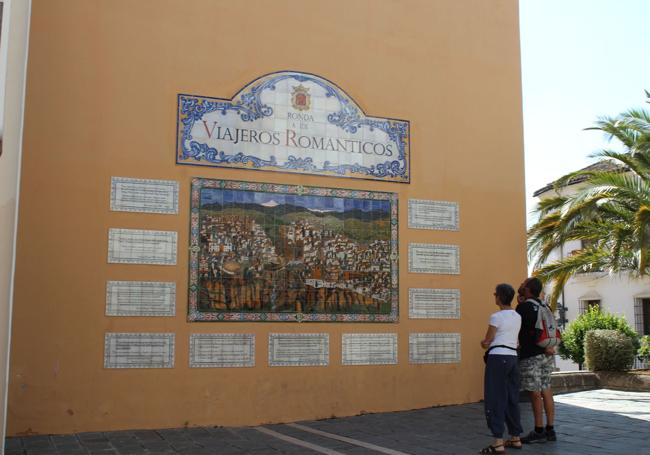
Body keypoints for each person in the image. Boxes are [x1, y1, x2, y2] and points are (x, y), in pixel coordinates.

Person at [479, 283, 523, 454]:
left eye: (495, 294)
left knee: (495, 397)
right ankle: (515, 437)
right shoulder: (517, 316)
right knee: (512, 396)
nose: (494, 296)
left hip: (497, 358)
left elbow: (487, 341)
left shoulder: (496, 317)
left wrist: (483, 344)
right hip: (513, 357)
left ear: (499, 297)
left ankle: (498, 441)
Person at [516, 277, 557, 443]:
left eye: (523, 285)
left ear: (528, 289)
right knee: (546, 389)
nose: (521, 286)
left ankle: (539, 430)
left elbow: (517, 327)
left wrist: (519, 303)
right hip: (547, 353)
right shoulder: (544, 305)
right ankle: (550, 429)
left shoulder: (523, 308)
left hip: (531, 355)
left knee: (534, 393)